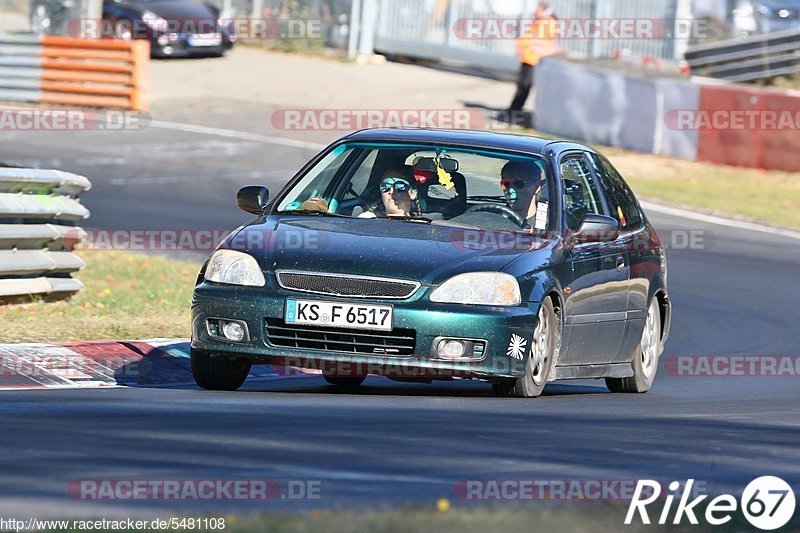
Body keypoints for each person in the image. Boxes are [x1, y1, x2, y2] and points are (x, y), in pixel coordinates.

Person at [508, 1, 559, 113]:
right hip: (529, 56)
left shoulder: (547, 22)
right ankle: (514, 109)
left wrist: (525, 44)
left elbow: (540, 40)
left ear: (541, 9)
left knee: (524, 85)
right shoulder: (542, 21)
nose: (534, 11)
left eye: (536, 8)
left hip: (533, 58)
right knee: (522, 85)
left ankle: (515, 111)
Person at [500, 160, 545, 226]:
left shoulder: (551, 224)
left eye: (518, 183)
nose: (510, 190)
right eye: (506, 183)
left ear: (536, 187)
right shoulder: (492, 219)